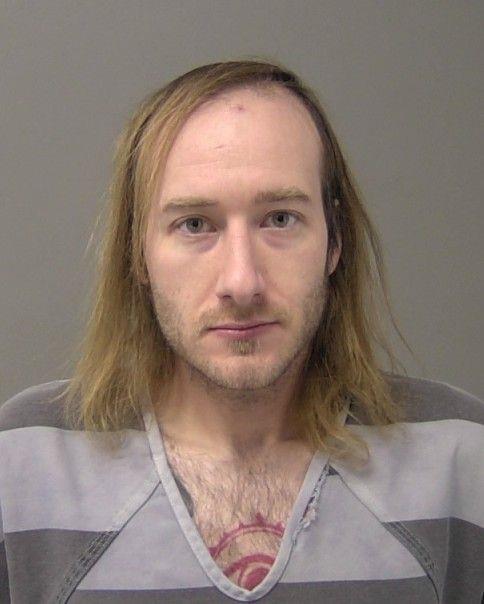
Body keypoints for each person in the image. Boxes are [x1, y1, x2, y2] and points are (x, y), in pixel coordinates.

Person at [0, 58, 483, 603]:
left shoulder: (461, 457)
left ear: (335, 240)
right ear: (138, 253)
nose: (242, 282)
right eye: (194, 225)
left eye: (280, 218)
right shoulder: (23, 463)